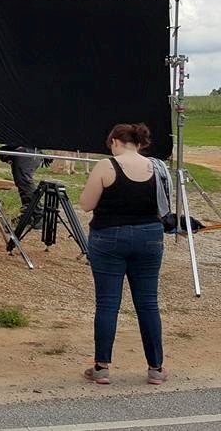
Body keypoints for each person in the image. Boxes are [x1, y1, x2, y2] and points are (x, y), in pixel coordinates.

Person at [79, 123, 172, 386]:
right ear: (139, 143)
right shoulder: (157, 168)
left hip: (109, 237)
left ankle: (101, 367)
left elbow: (86, 205)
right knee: (148, 303)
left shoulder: (107, 166)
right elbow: (165, 206)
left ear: (115, 142)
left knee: (108, 303)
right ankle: (156, 367)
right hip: (149, 237)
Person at [0, 145, 44, 229]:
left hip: (26, 151)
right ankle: (29, 215)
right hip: (24, 150)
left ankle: (38, 215)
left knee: (25, 183)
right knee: (22, 183)